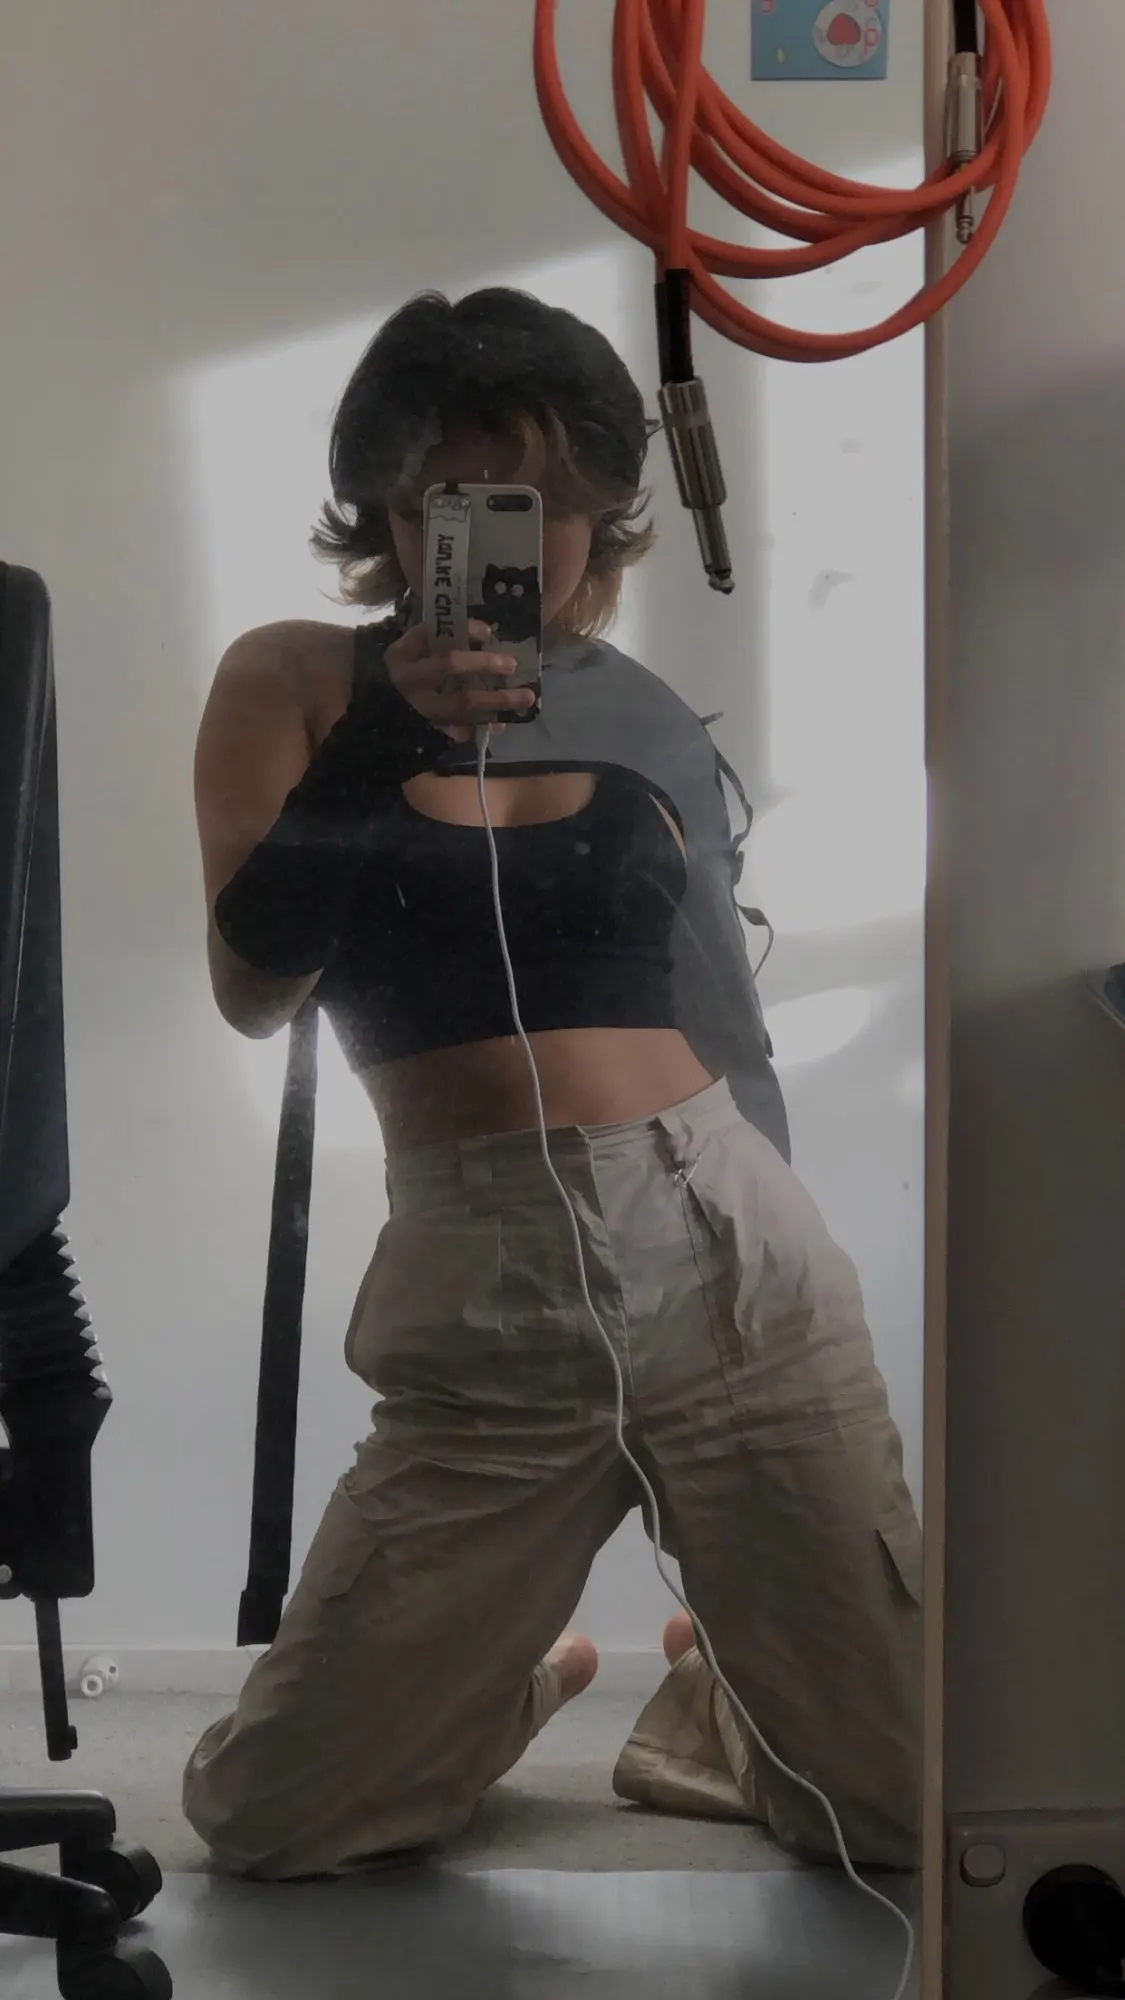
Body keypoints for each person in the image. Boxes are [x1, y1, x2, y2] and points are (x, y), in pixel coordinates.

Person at [182, 287, 921, 1883]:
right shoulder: (293, 680)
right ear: (383, 511)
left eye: (529, 501)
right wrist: (379, 743)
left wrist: (777, 1236)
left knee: (908, 1808)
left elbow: (726, 1017)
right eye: (435, 499)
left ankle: (715, 1705)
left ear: (595, 509)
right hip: (486, 1287)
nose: (481, 535)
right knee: (271, 1820)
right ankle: (514, 1688)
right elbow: (252, 986)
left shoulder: (640, 714)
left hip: (726, 1247)